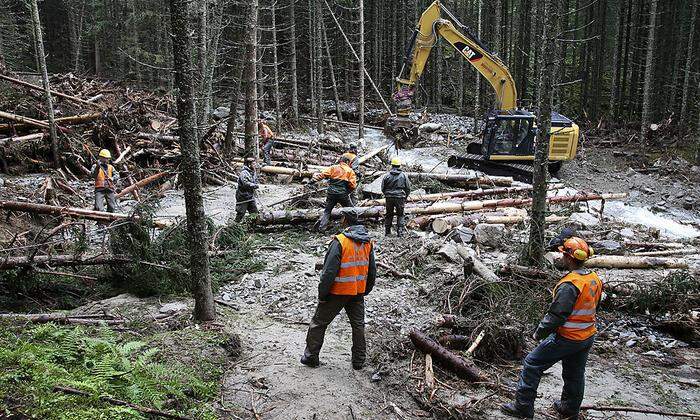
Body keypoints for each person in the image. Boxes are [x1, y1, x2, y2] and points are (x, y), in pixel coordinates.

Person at [502, 237, 603, 420]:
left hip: (568, 337)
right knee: (575, 373)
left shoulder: (570, 285)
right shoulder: (594, 278)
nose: (561, 257)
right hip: (587, 336)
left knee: (532, 363)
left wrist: (538, 333)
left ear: (569, 257)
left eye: (563, 254)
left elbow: (557, 315)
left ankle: (523, 406)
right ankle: (569, 409)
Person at [301, 208, 376, 370]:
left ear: (345, 220)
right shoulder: (367, 242)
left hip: (338, 291)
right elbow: (372, 270)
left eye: (341, 218)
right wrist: (365, 290)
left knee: (318, 323)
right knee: (358, 325)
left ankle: (311, 357)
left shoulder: (340, 241)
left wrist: (322, 293)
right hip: (357, 292)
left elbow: (328, 272)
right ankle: (359, 361)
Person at [312, 155, 357, 231]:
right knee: (350, 210)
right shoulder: (349, 171)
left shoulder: (333, 168)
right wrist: (348, 191)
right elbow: (353, 185)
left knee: (327, 211)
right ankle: (354, 226)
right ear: (347, 162)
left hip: (331, 193)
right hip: (343, 194)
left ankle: (322, 228)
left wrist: (313, 181)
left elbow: (322, 175)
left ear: (340, 161)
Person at [381, 157, 411, 236]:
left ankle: (387, 232)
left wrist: (387, 194)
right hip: (400, 197)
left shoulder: (386, 176)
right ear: (399, 166)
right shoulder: (404, 176)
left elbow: (382, 188)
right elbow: (408, 188)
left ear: (392, 165)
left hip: (389, 197)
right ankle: (400, 232)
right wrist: (405, 197)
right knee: (400, 214)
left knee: (389, 214)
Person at [92, 149, 119, 213]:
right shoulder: (95, 166)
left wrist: (113, 178)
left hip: (110, 189)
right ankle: (100, 222)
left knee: (112, 207)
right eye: (105, 158)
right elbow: (93, 175)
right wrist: (97, 167)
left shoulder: (111, 167)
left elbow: (117, 175)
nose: (107, 160)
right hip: (99, 189)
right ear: (101, 158)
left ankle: (109, 221)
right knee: (98, 207)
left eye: (107, 158)